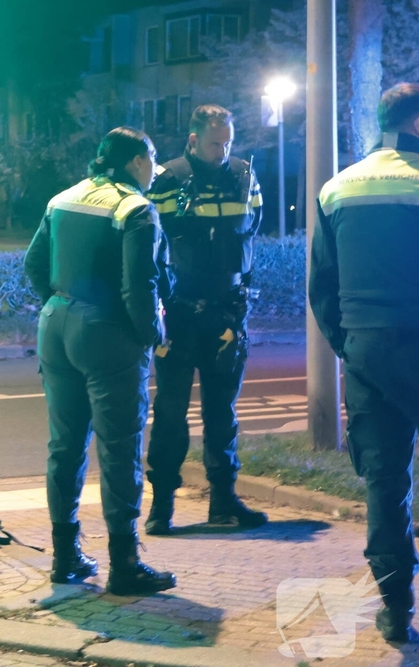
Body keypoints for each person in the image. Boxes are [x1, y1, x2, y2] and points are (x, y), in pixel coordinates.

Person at [25, 126, 176, 596]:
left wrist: (59, 304)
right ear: (136, 161)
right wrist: (153, 336)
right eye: (153, 161)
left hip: (56, 326)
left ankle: (66, 557)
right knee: (120, 448)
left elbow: (34, 265)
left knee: (64, 445)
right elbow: (140, 286)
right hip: (108, 334)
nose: (155, 171)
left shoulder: (63, 198)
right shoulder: (135, 209)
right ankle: (125, 564)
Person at [309, 82, 419, 643]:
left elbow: (322, 289)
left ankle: (396, 608)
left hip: (368, 353)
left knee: (385, 481)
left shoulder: (338, 188)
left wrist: (351, 346)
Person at [143, 105, 267, 535]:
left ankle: (223, 501)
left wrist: (241, 304)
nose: (224, 150)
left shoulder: (244, 176)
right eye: (216, 142)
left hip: (227, 311)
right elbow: (150, 249)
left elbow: (250, 237)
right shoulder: (166, 179)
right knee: (170, 412)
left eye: (228, 142)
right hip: (178, 312)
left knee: (222, 412)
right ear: (194, 139)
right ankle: (161, 506)